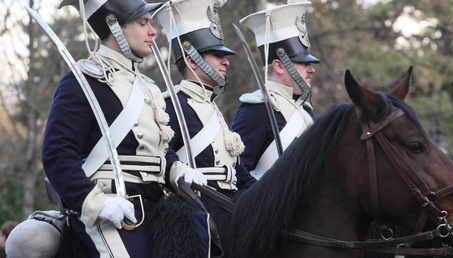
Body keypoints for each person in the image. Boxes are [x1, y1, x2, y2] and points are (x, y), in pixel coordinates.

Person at [40, 0, 208, 257]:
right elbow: (57, 153)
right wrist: (94, 202)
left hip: (157, 204)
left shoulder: (148, 86)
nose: (153, 31)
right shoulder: (83, 80)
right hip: (110, 208)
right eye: (143, 23)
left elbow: (159, 148)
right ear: (113, 26)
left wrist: (176, 169)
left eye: (151, 23)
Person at [153, 0, 256, 198]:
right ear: (192, 60)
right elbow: (160, 158)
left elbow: (239, 174)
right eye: (217, 55)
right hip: (196, 211)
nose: (226, 61)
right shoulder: (171, 107)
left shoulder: (214, 110)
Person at [231, 0, 320, 180]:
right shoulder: (257, 109)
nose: (312, 69)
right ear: (280, 66)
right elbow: (237, 172)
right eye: (303, 63)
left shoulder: (306, 113)